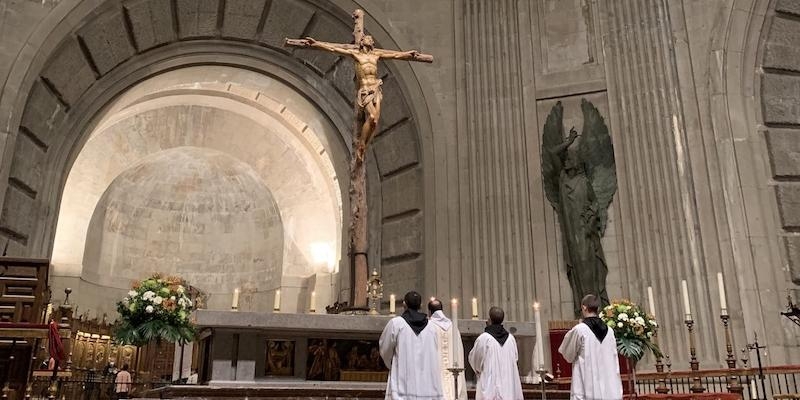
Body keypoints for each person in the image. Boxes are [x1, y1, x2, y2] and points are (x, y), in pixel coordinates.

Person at [379, 291, 444, 400]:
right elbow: (434, 353)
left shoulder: (396, 324)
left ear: (404, 304)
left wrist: (392, 364)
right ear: (421, 305)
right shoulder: (432, 327)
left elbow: (385, 349)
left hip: (403, 383)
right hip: (427, 386)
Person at [558, 294, 623, 400]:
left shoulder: (580, 330)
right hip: (609, 390)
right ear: (598, 308)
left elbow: (568, 355)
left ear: (584, 307)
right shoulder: (610, 331)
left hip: (587, 388)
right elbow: (614, 359)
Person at [468, 306, 523, 400]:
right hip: (508, 387)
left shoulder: (484, 338)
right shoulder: (511, 339)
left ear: (489, 319)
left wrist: (478, 370)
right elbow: (515, 359)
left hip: (490, 386)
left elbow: (476, 360)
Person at [428, 298, 467, 400]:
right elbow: (459, 350)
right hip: (453, 370)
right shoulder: (453, 326)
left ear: (429, 312)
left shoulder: (429, 327)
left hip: (436, 372)